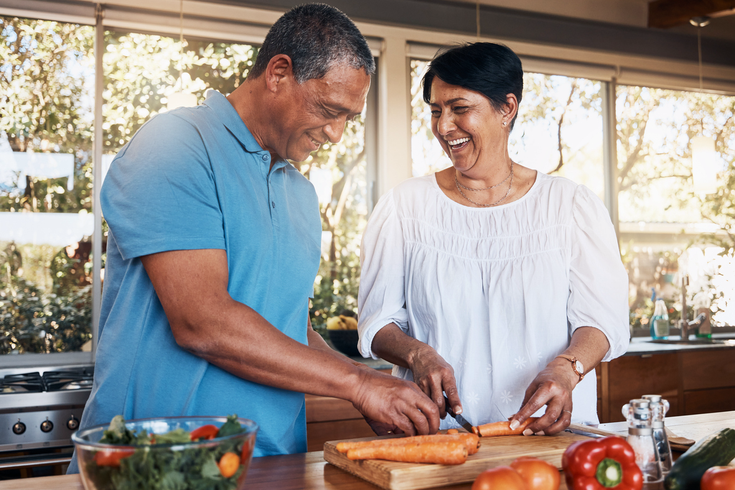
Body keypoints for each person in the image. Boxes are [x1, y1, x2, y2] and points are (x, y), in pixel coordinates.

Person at [69, 4, 439, 472]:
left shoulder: (301, 194)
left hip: (274, 462)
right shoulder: (176, 145)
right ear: (278, 73)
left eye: (349, 117)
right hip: (158, 464)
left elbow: (289, 328)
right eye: (328, 110)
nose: (336, 133)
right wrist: (358, 383)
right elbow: (202, 320)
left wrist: (368, 384)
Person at [357, 42, 629, 436]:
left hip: (548, 437)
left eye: (460, 109)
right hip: (440, 437)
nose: (444, 126)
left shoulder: (569, 206)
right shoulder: (404, 208)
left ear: (507, 108)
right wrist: (418, 354)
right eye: (436, 111)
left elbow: (603, 320)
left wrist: (567, 368)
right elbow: (377, 322)